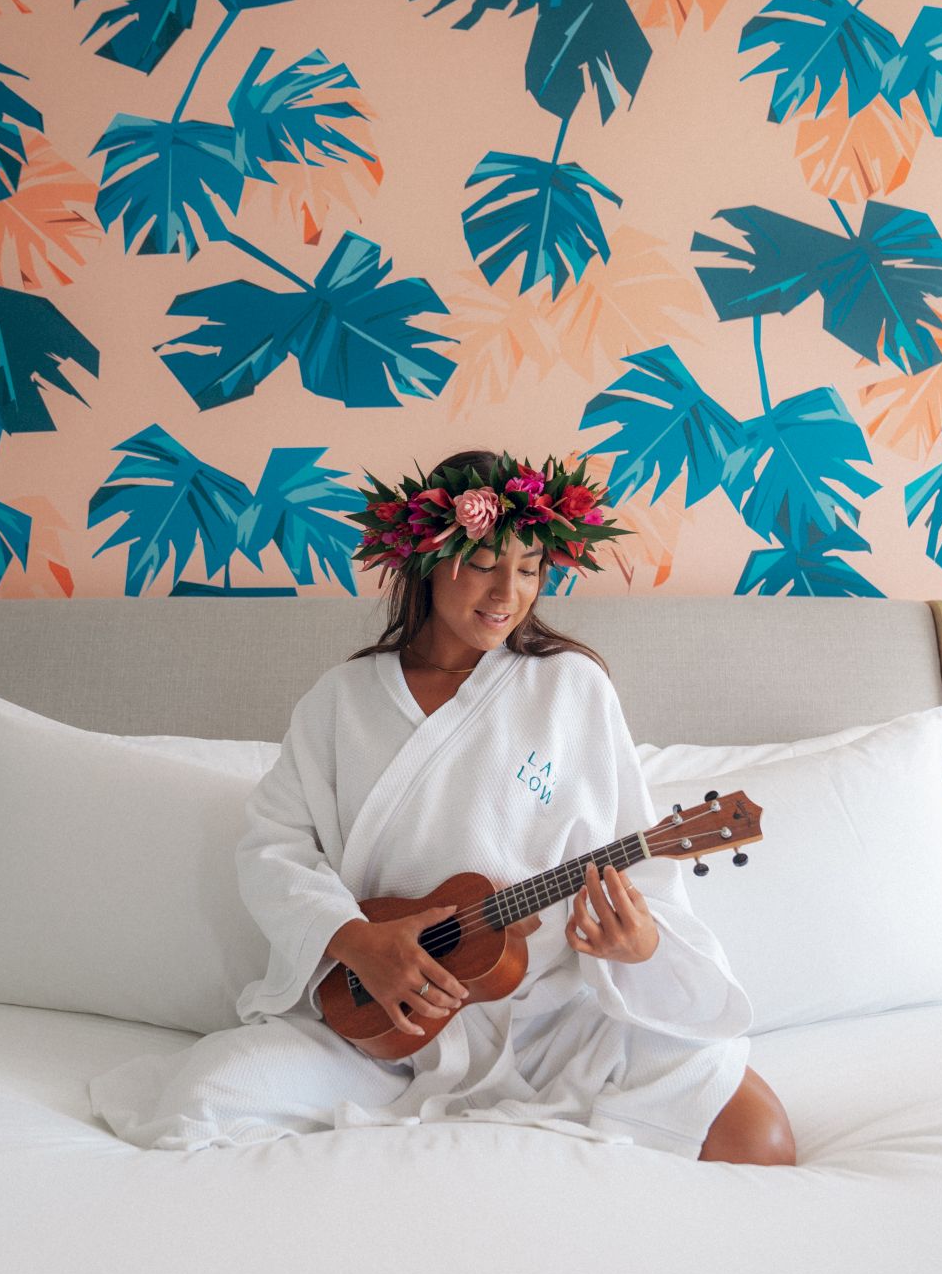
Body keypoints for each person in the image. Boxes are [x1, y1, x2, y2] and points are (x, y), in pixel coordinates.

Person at [90, 450, 796, 1165]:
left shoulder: (572, 688)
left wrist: (635, 943)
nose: (506, 592)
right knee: (200, 1099)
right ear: (426, 558)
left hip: (550, 1018)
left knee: (758, 1136)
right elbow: (272, 848)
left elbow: (643, 882)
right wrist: (356, 940)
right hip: (377, 1023)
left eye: (528, 570)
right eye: (484, 563)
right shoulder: (343, 699)